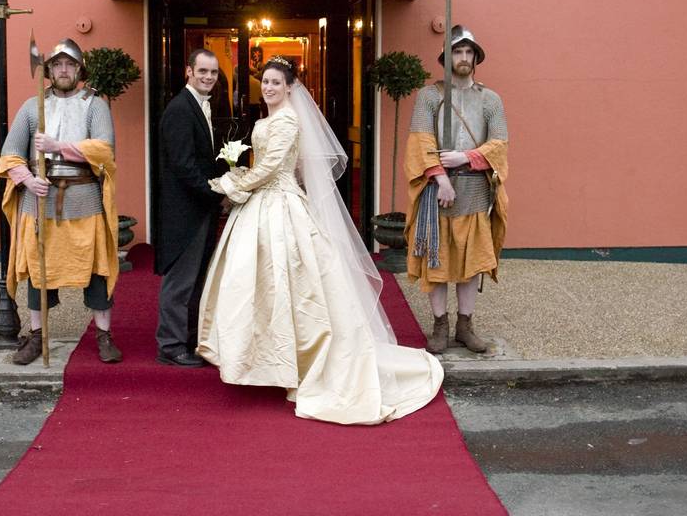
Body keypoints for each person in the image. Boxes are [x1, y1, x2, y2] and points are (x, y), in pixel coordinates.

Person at [197, 56, 444, 424]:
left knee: (290, 282)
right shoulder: (265, 120)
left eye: (276, 83)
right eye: (265, 81)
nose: (268, 87)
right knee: (260, 284)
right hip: (264, 205)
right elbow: (269, 164)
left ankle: (296, 364)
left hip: (278, 204)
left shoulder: (288, 120)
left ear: (290, 88)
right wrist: (243, 174)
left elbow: (270, 168)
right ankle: (266, 361)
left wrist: (230, 183)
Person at [0, 38, 121, 366]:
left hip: (84, 200)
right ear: (49, 70)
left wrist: (59, 145)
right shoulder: (31, 106)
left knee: (97, 269)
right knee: (39, 272)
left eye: (70, 64)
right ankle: (38, 336)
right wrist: (27, 178)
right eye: (58, 65)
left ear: (80, 69)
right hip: (40, 202)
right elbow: (9, 155)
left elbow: (104, 151)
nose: (64, 70)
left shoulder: (95, 105)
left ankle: (103, 335)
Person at [403, 25, 508, 354]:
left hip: (474, 190)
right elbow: (420, 143)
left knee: (469, 262)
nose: (462, 57)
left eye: (467, 52)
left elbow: (500, 144)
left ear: (476, 57)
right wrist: (440, 178)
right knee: (437, 262)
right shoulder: (430, 96)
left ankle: (465, 325)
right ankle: (440, 326)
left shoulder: (490, 99)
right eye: (456, 52)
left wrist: (466, 156)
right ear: (447, 58)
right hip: (437, 192)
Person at [155, 48, 225, 368]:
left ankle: (191, 339)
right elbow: (183, 166)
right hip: (184, 211)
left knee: (197, 279)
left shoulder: (201, 106)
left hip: (200, 209)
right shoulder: (180, 109)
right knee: (181, 280)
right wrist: (217, 193)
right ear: (189, 71)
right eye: (203, 71)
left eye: (213, 72)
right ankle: (170, 344)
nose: (208, 77)